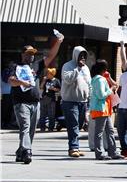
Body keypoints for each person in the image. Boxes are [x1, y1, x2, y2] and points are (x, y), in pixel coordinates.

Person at [9, 36, 63, 164]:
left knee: (31, 130)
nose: (31, 56)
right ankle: (27, 151)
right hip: (21, 103)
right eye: (28, 54)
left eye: (33, 54)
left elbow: (50, 56)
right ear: (23, 55)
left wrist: (59, 42)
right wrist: (21, 82)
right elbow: (11, 81)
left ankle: (21, 151)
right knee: (25, 127)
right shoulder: (15, 66)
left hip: (35, 102)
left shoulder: (36, 65)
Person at [61, 45, 91, 158]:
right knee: (73, 124)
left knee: (79, 124)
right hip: (70, 101)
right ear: (75, 55)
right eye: (80, 55)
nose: (82, 58)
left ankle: (76, 147)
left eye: (84, 56)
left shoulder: (86, 68)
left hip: (83, 101)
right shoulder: (67, 66)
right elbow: (68, 80)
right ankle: (73, 148)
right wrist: (77, 68)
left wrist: (90, 98)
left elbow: (89, 84)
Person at [89, 59, 123, 160]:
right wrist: (111, 89)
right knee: (99, 132)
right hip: (101, 109)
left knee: (110, 130)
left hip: (105, 109)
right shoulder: (100, 80)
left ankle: (113, 152)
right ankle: (99, 153)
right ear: (103, 69)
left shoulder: (98, 78)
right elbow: (101, 95)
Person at [38, 68, 60, 132]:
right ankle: (42, 127)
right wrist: (44, 81)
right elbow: (41, 87)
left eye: (48, 73)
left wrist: (53, 89)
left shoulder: (56, 80)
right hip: (44, 97)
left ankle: (51, 127)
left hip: (51, 99)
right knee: (43, 114)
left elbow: (59, 89)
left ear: (52, 74)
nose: (47, 75)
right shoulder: (46, 80)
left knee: (51, 114)